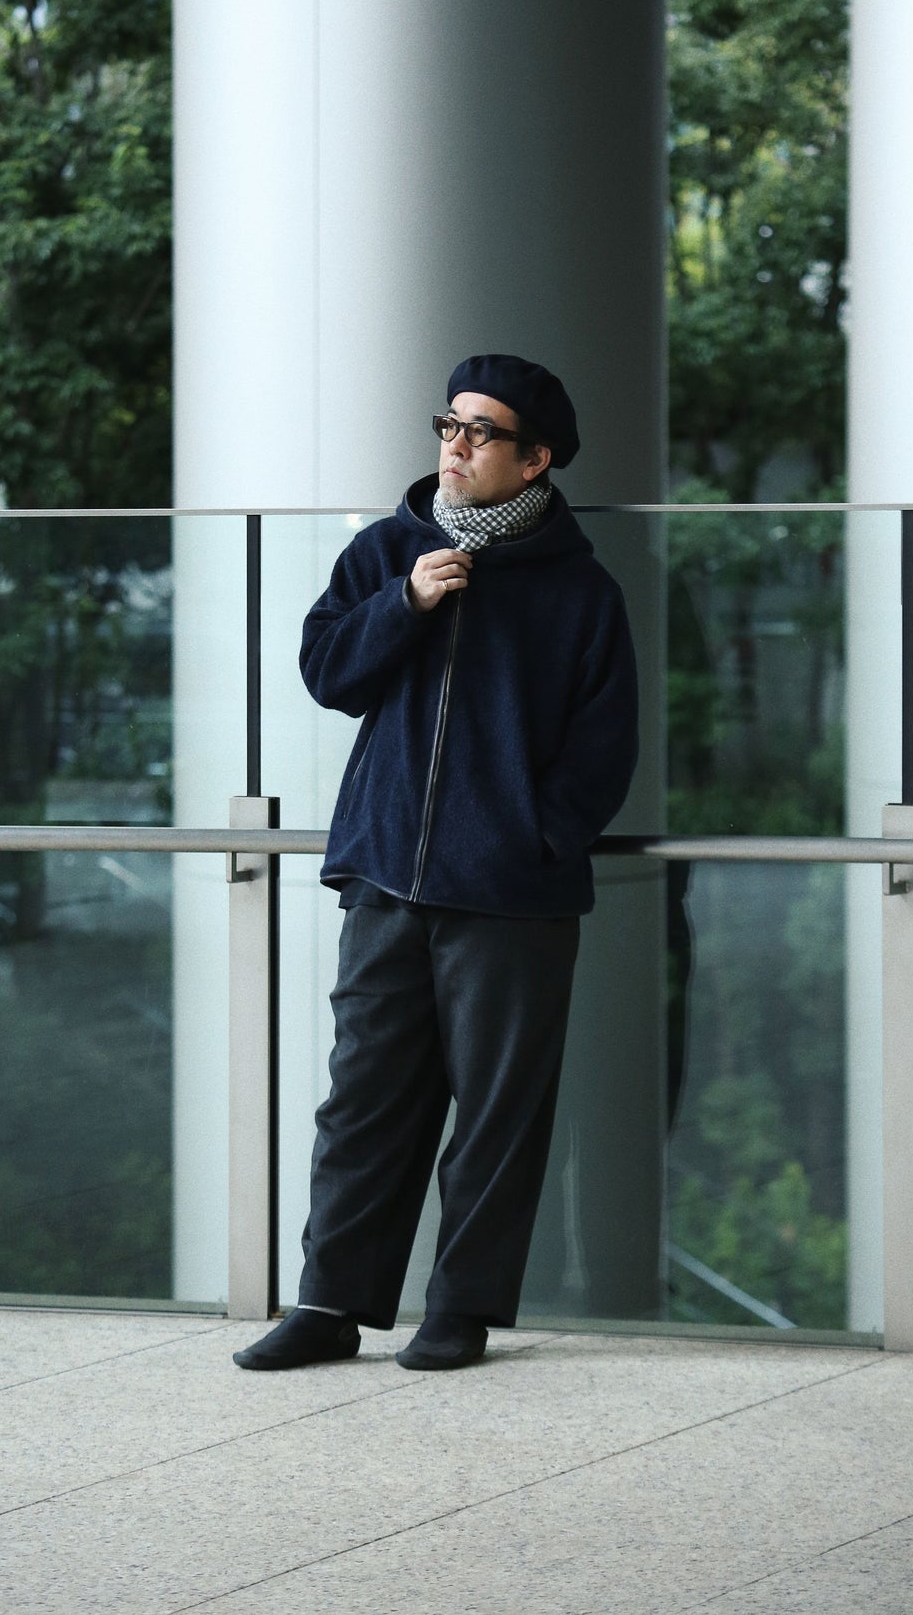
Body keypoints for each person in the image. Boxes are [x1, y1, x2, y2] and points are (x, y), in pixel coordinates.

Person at [233, 354, 639, 1372]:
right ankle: (328, 1305)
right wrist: (404, 604)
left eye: (480, 431)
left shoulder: (581, 592)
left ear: (534, 459)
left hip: (509, 897)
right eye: (448, 424)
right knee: (361, 1100)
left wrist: (530, 840)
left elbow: (604, 752)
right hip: (383, 877)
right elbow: (326, 672)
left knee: (496, 1114)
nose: (455, 445)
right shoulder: (386, 551)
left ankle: (459, 1310)